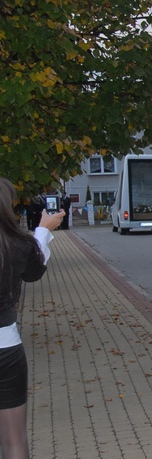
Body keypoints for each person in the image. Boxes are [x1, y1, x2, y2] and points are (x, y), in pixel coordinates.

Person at [0, 178, 65, 459]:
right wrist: (43, 230)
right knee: (14, 442)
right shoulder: (16, 244)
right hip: (6, 348)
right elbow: (33, 270)